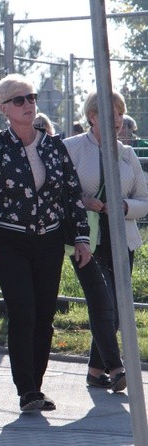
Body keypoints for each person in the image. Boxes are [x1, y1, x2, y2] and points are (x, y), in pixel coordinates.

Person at [0, 73, 92, 412]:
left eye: (31, 97)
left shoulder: (53, 146)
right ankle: (25, 389)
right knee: (23, 312)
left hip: (50, 240)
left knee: (44, 315)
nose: (29, 104)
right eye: (19, 100)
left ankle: (36, 388)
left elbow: (72, 195)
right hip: (9, 240)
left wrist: (81, 238)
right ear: (3, 108)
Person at [63, 90, 148, 393]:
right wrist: (84, 201)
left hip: (121, 239)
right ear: (92, 116)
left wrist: (124, 207)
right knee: (104, 302)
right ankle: (116, 368)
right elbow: (58, 192)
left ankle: (95, 369)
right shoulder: (72, 148)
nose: (117, 120)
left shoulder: (127, 154)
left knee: (118, 305)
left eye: (120, 113)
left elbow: (144, 200)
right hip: (85, 239)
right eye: (109, 114)